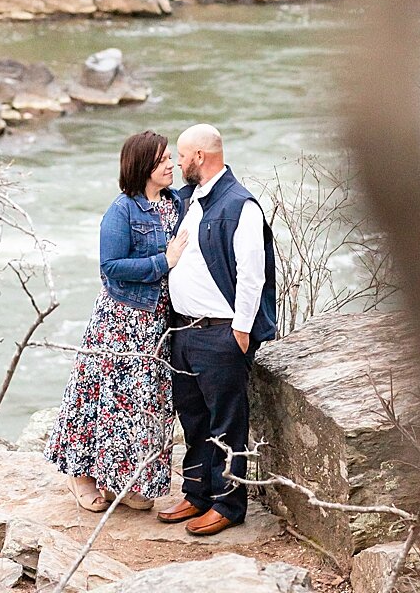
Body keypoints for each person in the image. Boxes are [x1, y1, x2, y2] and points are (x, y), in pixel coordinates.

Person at [45, 130, 189, 513]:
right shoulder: (122, 210)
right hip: (122, 319)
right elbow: (109, 266)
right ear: (143, 166)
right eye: (163, 161)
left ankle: (129, 479)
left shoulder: (178, 203)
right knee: (105, 398)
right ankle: (81, 476)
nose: (171, 165)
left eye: (172, 158)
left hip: (160, 322)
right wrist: (164, 261)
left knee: (145, 403)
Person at [155, 123, 277, 536]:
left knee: (226, 422)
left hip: (220, 333)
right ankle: (197, 494)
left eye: (182, 155)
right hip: (184, 331)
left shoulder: (240, 205)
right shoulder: (191, 199)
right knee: (192, 417)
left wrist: (241, 329)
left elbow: (251, 274)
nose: (178, 162)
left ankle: (228, 504)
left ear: (200, 158)